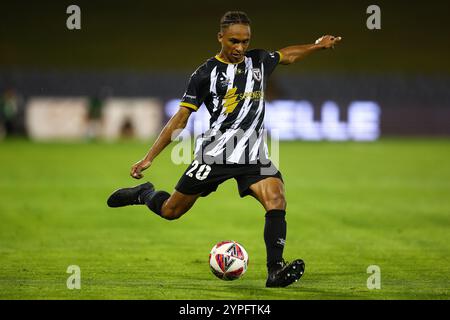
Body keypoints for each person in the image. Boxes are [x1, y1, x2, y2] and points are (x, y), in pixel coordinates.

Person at [107, 11, 342, 288]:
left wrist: (317, 46)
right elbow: (180, 119)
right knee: (172, 211)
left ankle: (275, 270)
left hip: (252, 153)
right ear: (220, 37)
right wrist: (149, 157)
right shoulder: (205, 74)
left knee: (277, 199)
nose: (240, 48)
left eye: (245, 41)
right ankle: (145, 194)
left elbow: (287, 55)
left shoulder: (259, 61)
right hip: (215, 154)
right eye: (234, 41)